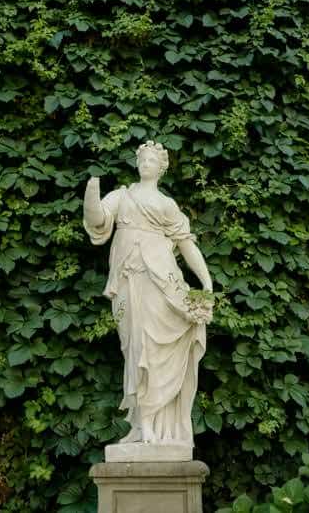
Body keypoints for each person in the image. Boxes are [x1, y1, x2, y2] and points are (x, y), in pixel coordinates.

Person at [83, 140, 212, 445]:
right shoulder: (121, 196)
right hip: (129, 281)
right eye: (142, 159)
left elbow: (186, 244)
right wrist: (91, 193)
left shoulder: (166, 205)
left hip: (162, 284)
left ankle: (154, 423)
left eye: (151, 160)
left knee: (155, 351)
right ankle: (141, 425)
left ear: (161, 168)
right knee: (135, 349)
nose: (145, 163)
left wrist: (206, 283)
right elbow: (98, 220)